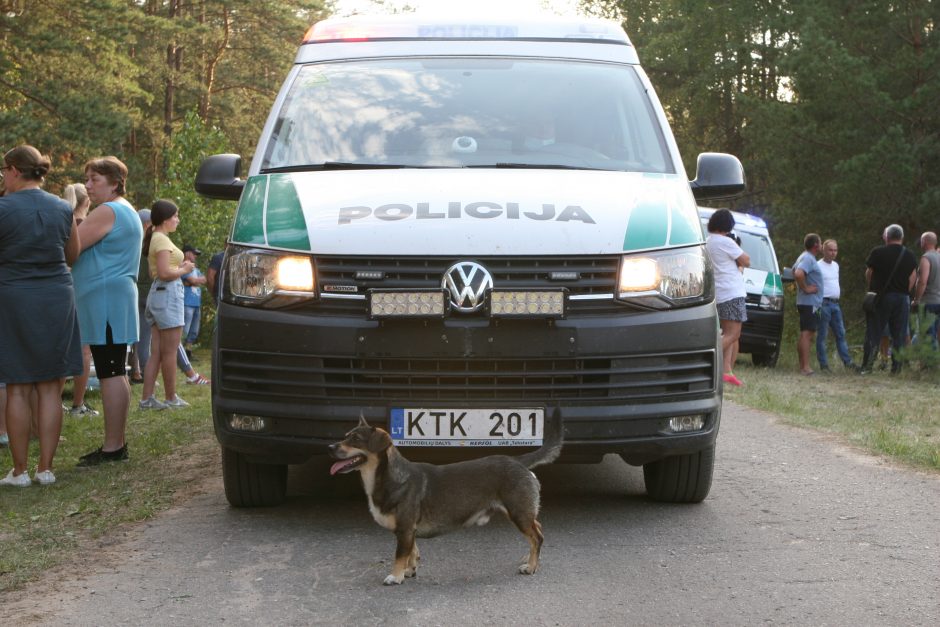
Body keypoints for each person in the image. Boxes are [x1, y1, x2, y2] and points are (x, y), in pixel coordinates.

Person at [0, 145, 83, 486]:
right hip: (56, 296)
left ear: (15, 170)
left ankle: (19, 471)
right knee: (50, 386)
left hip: (13, 295)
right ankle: (45, 469)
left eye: (3, 171)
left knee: (18, 386)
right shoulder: (63, 208)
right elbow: (73, 254)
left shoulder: (2, 208)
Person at [72, 156, 143, 466]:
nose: (88, 186)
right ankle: (117, 442)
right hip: (113, 297)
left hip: (105, 299)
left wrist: (75, 214)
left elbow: (71, 248)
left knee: (109, 371)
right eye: (87, 180)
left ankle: (113, 447)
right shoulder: (125, 210)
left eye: (95, 180)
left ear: (114, 183)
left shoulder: (108, 210)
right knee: (114, 370)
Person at [140, 199, 195, 410]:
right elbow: (164, 273)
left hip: (159, 295)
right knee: (170, 351)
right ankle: (171, 397)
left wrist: (179, 267)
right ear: (165, 219)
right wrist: (185, 270)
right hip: (168, 294)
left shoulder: (156, 238)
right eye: (175, 216)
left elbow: (161, 271)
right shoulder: (161, 240)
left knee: (157, 351)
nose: (177, 220)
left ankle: (147, 399)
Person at [63, 182, 99, 417]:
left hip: (60, 289)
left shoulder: (61, 224)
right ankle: (78, 403)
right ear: (87, 202)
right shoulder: (85, 227)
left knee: (62, 349)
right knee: (84, 349)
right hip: (80, 290)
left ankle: (54, 402)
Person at [861, 224, 917, 374]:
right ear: (902, 238)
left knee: (874, 331)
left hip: (882, 297)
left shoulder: (878, 252)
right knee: (899, 334)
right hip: (902, 298)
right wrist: (905, 291)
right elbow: (913, 277)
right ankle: (896, 368)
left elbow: (869, 273)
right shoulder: (910, 255)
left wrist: (873, 288)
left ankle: (867, 367)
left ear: (887, 237)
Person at [705, 209, 750, 386]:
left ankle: (726, 372)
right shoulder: (726, 241)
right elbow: (746, 260)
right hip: (732, 291)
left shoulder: (708, 241)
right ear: (727, 225)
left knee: (725, 332)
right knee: (733, 334)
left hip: (719, 292)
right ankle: (708, 361)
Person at [815, 239, 857, 371]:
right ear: (823, 250)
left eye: (835, 250)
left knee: (841, 334)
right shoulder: (817, 265)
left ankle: (848, 362)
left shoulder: (836, 266)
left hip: (835, 304)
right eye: (830, 250)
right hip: (823, 303)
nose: (833, 253)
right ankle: (824, 365)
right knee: (822, 335)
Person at [128, 208, 153, 384]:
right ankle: (142, 371)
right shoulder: (150, 244)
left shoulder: (130, 242)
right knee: (144, 337)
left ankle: (135, 370)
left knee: (134, 335)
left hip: (133, 292)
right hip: (146, 293)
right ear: (147, 224)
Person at [793, 233, 823, 376]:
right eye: (821, 243)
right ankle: (805, 367)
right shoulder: (808, 258)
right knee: (807, 334)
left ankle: (803, 366)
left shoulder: (804, 256)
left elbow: (793, 271)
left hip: (808, 303)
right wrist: (805, 288)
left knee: (807, 332)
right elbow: (798, 274)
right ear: (816, 245)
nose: (821, 245)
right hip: (809, 302)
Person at [913, 231, 940, 349]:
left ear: (925, 242)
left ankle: (931, 364)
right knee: (934, 332)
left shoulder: (926, 258)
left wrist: (917, 299)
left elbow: (922, 281)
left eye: (921, 241)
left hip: (929, 301)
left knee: (929, 334)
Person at [181, 244, 206, 354]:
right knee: (184, 330)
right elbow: (194, 281)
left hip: (196, 303)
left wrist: (192, 281)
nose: (196, 256)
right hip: (186, 302)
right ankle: (179, 354)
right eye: (194, 253)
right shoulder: (183, 267)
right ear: (187, 253)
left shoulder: (195, 268)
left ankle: (188, 352)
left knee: (194, 331)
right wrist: (193, 281)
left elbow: (204, 279)